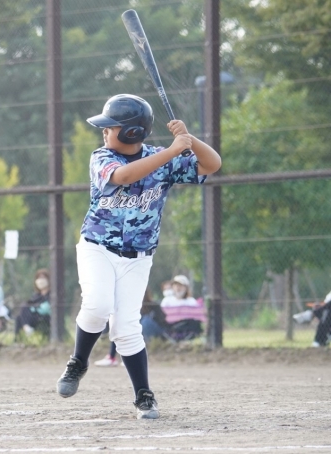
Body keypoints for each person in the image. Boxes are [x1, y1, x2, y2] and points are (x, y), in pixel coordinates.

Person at [55, 94, 221, 419]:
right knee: (98, 305)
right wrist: (172, 150)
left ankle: (143, 395)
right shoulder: (102, 157)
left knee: (127, 326)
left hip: (139, 256)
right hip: (97, 247)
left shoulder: (162, 159)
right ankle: (78, 362)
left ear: (132, 132)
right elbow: (124, 177)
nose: (104, 132)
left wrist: (189, 138)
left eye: (110, 127)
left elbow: (212, 164)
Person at [160, 275, 206, 341]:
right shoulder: (166, 301)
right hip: (172, 327)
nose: (178, 288)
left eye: (180, 285)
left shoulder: (191, 301)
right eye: (175, 285)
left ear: (186, 288)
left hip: (187, 326)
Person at [14, 269, 51, 340]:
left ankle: (26, 328)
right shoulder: (36, 295)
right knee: (19, 317)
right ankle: (18, 339)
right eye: (38, 278)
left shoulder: (51, 294)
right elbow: (29, 304)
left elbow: (46, 308)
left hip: (45, 317)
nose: (40, 280)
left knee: (24, 309)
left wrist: (34, 308)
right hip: (34, 316)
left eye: (43, 278)